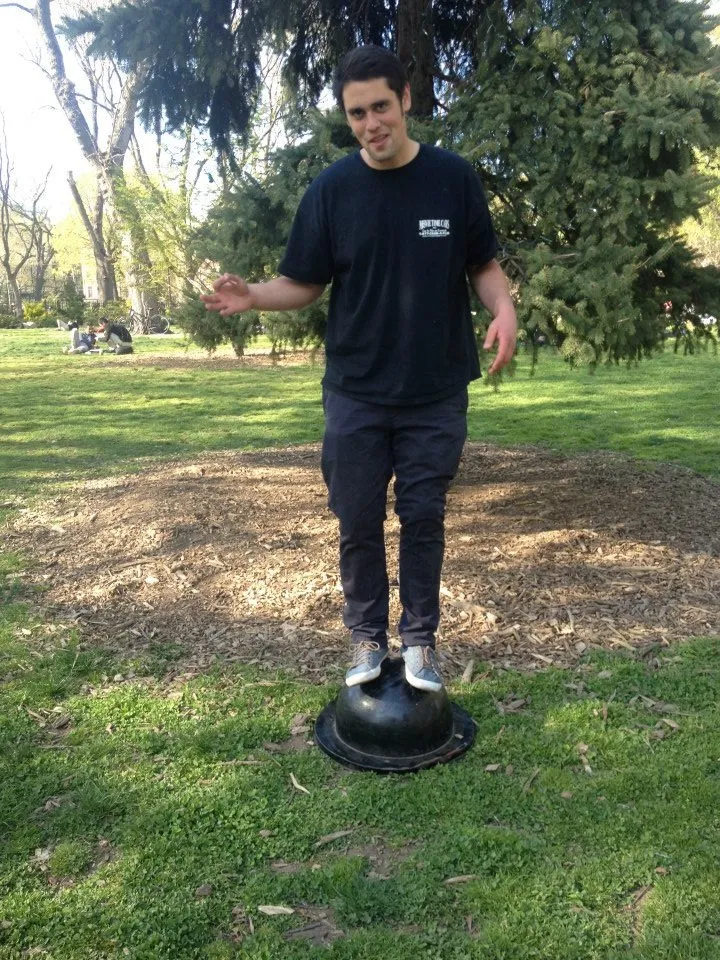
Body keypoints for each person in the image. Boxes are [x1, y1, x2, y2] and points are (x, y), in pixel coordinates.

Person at [202, 45, 517, 692]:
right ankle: (367, 636)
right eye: (357, 113)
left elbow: (482, 264)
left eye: (380, 106)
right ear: (347, 119)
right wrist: (254, 295)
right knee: (357, 517)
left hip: (435, 389)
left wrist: (505, 307)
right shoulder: (332, 191)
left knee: (424, 516)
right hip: (356, 391)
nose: (371, 123)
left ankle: (422, 641)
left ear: (405, 100)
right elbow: (303, 282)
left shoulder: (453, 179)